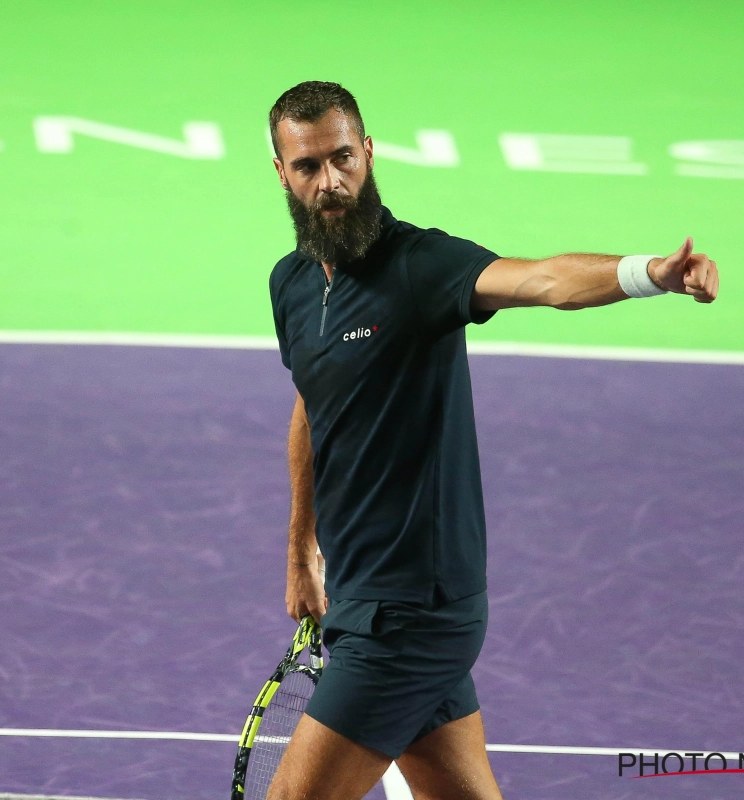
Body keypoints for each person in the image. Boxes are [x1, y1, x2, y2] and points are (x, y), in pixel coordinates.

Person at [266, 81, 718, 800]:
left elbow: (544, 280)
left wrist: (648, 275)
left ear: (370, 152)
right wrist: (301, 547)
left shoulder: (421, 267)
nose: (332, 181)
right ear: (281, 173)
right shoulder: (291, 285)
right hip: (360, 593)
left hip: (412, 610)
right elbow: (312, 402)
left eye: (343, 158)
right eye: (309, 166)